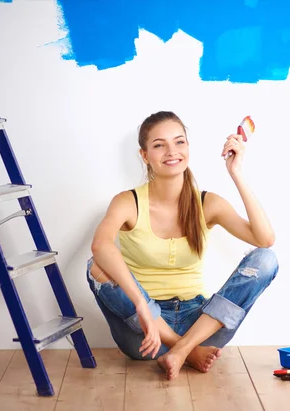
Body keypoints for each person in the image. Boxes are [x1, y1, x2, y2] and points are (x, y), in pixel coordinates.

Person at [86, 111, 278, 380]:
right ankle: (185, 349)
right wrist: (142, 305)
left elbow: (264, 239)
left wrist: (236, 173)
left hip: (200, 323)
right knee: (95, 267)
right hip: (145, 331)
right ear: (144, 155)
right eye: (158, 145)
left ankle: (182, 349)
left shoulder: (207, 203)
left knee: (266, 259)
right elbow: (100, 246)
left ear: (188, 147)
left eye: (179, 142)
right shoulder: (128, 202)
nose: (171, 151)